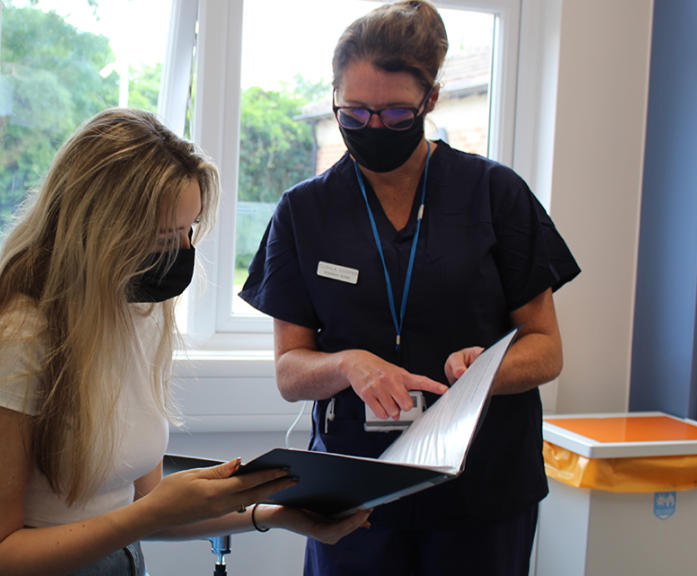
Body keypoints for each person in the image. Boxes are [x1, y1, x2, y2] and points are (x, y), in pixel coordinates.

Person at [0, 108, 371, 576]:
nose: (183, 252)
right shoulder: (12, 339)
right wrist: (152, 512)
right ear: (99, 230)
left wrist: (278, 515)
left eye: (190, 231)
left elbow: (142, 505)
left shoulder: (132, 309)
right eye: (164, 237)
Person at [238, 2, 581, 575]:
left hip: (482, 487)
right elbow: (290, 371)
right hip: (353, 494)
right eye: (354, 112)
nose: (372, 127)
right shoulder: (305, 210)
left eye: (396, 114)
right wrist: (348, 364)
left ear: (432, 100)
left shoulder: (495, 195)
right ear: (334, 98)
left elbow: (546, 347)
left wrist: (489, 370)